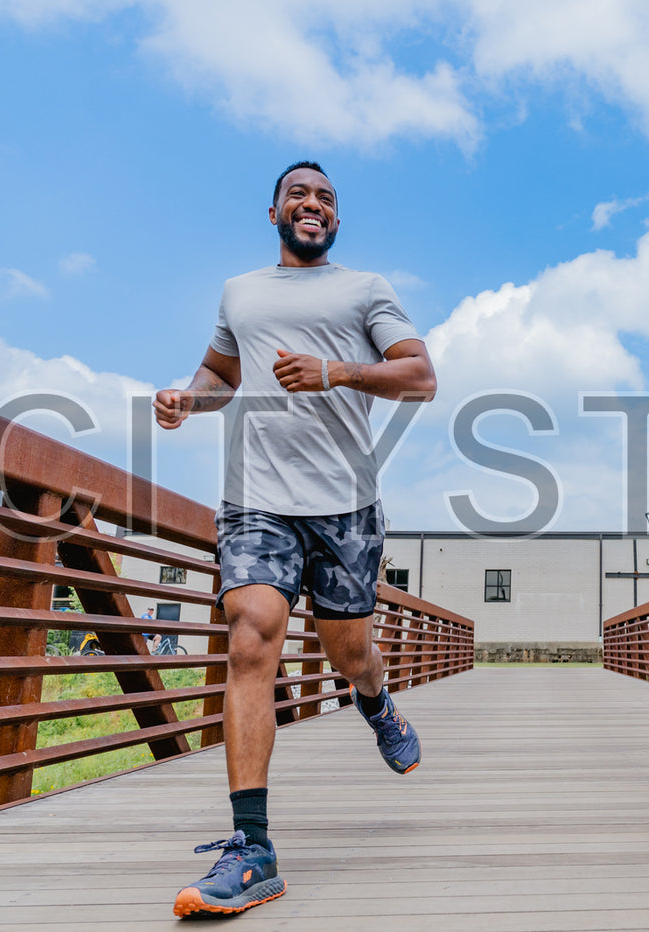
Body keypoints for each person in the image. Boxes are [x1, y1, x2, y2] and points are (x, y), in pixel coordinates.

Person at [153, 160, 437, 916]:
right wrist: (189, 398)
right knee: (252, 635)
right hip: (256, 499)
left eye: (327, 198)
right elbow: (220, 375)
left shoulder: (365, 289)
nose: (313, 204)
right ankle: (252, 849)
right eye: (300, 195)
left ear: (335, 219)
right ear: (274, 211)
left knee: (349, 652)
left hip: (345, 504)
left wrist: (336, 371)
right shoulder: (238, 293)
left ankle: (377, 704)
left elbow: (420, 376)